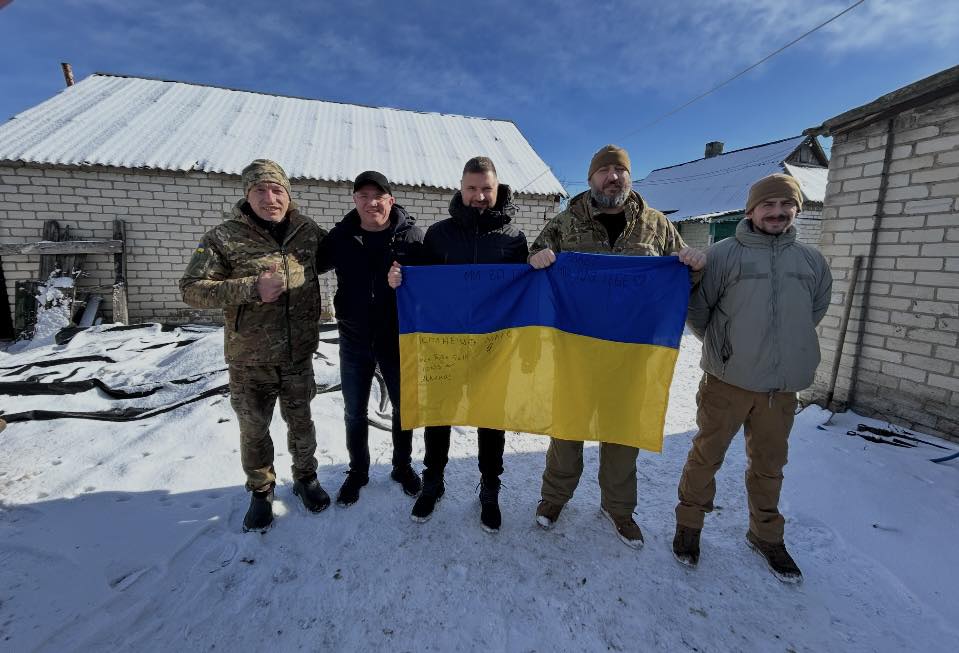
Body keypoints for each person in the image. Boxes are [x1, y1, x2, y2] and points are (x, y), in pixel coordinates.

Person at [528, 144, 705, 549]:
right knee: (567, 431)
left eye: (620, 170)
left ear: (629, 176)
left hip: (632, 353)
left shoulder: (657, 225)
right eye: (605, 170)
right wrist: (535, 259)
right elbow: (532, 261)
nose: (613, 177)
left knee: (623, 434)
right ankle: (555, 498)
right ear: (590, 178)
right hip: (575, 350)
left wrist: (693, 266)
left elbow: (679, 278)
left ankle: (619, 508)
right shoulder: (565, 222)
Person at [672, 173, 832, 583]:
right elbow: (698, 310)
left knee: (769, 464)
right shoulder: (723, 255)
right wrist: (726, 345)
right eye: (768, 206)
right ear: (751, 211)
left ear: (797, 209)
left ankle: (766, 536)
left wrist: (785, 348)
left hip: (781, 387)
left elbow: (815, 309)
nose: (777, 213)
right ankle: (689, 527)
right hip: (728, 380)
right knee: (706, 455)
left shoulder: (812, 260)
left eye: (786, 206)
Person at [180, 159, 330, 532]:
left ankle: (306, 478)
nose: (270, 197)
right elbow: (191, 289)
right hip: (250, 360)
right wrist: (250, 288)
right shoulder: (223, 237)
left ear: (288, 195)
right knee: (254, 429)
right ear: (247, 195)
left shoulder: (307, 231)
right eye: (260, 190)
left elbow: (347, 251)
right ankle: (261, 490)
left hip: (298, 355)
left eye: (277, 189)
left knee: (302, 422)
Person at [388, 156, 528, 532]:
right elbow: (418, 280)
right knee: (439, 414)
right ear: (461, 188)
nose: (479, 195)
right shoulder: (439, 235)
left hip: (493, 347)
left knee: (490, 417)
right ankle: (433, 480)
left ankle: (490, 487)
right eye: (472, 188)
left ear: (497, 189)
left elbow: (525, 291)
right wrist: (401, 276)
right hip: (446, 345)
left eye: (486, 188)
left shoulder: (514, 239)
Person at [317, 171, 425, 507]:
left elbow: (431, 282)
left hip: (397, 337)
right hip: (354, 338)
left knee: (404, 408)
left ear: (390, 200)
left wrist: (407, 278)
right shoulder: (341, 237)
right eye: (362, 195)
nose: (371, 202)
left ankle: (402, 466)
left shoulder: (411, 237)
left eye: (378, 195)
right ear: (354, 201)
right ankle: (358, 471)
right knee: (354, 411)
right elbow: (309, 266)